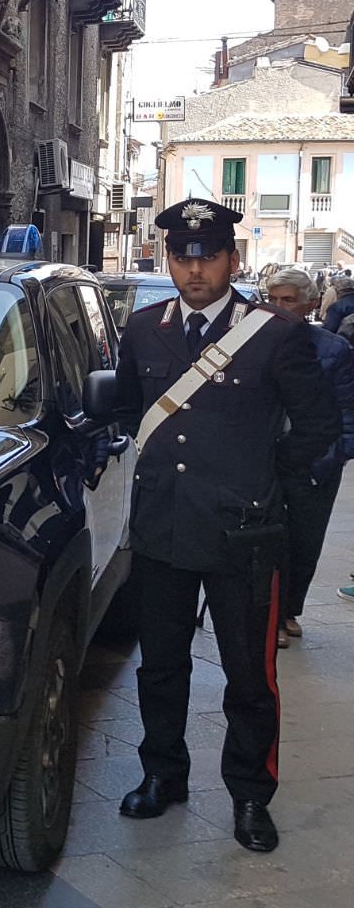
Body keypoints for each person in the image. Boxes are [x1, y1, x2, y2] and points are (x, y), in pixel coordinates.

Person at [115, 198, 337, 853]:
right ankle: (163, 776)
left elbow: (319, 425)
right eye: (182, 257)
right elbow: (130, 410)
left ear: (231, 260)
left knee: (249, 677)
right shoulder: (143, 329)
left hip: (245, 536)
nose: (194, 269)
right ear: (167, 260)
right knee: (160, 668)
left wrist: (262, 474)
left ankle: (248, 795)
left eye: (207, 256)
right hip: (162, 529)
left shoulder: (274, 332)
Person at [262, 269, 354, 646]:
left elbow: (347, 412)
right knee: (267, 541)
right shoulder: (256, 343)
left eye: (288, 300)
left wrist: (335, 457)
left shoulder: (333, 349)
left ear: (311, 305)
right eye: (274, 300)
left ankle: (288, 610)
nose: (280, 308)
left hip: (315, 461)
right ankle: (269, 613)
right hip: (265, 458)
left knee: (304, 540)